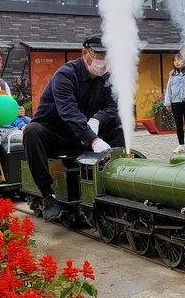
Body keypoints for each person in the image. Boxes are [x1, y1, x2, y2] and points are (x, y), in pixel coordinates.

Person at [23, 35, 124, 221]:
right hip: (55, 134)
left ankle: (119, 174)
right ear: (85, 53)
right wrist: (93, 139)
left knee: (118, 122)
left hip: (82, 133)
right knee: (32, 131)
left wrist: (97, 120)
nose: (103, 60)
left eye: (107, 55)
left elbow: (113, 106)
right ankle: (48, 196)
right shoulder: (66, 75)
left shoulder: (106, 79)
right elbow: (68, 110)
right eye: (99, 55)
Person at [0, 68, 29, 185]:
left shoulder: (4, 100)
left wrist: (22, 126)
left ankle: (30, 167)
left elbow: (13, 117)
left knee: (27, 136)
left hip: (9, 130)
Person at [163, 53, 185, 153]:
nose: (177, 62)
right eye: (175, 60)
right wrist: (167, 102)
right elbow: (168, 89)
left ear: (184, 61)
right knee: (178, 125)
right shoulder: (172, 75)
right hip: (175, 102)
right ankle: (181, 145)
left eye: (179, 60)